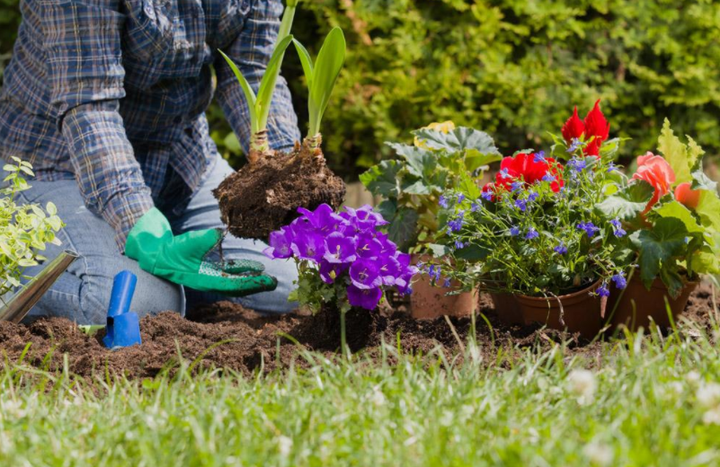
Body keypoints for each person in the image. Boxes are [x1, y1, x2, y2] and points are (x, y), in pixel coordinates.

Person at [0, 0, 300, 324]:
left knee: (288, 283)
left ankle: (168, 285)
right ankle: (11, 265)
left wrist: (290, 177)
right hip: (57, 163)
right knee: (141, 306)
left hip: (180, 161)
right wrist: (137, 220)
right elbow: (89, 104)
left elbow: (253, 73)